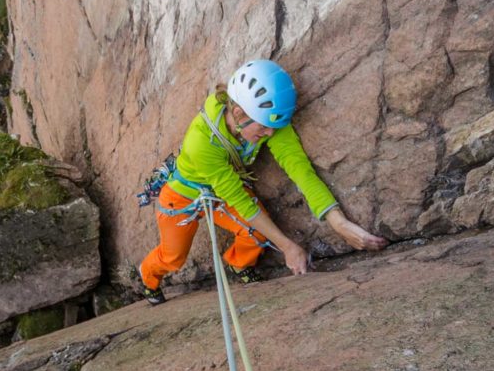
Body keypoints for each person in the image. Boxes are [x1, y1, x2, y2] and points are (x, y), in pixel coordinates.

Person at [137, 59, 388, 305]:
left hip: (221, 192)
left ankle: (238, 264)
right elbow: (240, 201)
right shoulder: (202, 142)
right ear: (238, 113)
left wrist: (338, 222)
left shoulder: (267, 117)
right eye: (265, 128)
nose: (270, 134)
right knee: (173, 257)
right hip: (183, 196)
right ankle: (148, 278)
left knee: (255, 232)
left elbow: (300, 170)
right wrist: (289, 248)